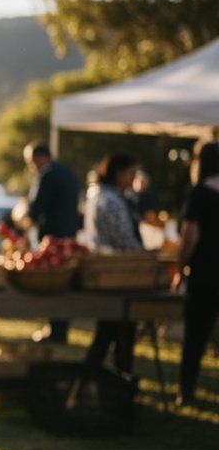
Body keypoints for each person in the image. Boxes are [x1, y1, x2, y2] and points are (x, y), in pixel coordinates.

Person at [84, 153, 144, 374]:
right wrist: (145, 257)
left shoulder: (98, 194)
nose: (133, 178)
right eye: (131, 173)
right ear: (118, 173)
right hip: (120, 271)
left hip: (106, 270)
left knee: (106, 332)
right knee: (121, 332)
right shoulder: (111, 200)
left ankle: (91, 379)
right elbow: (125, 239)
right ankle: (120, 382)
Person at [23, 141, 81, 344]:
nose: (32, 167)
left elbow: (37, 207)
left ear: (39, 157)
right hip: (69, 235)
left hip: (52, 238)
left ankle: (56, 329)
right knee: (64, 283)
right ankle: (61, 327)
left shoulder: (47, 174)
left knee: (53, 283)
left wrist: (25, 213)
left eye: (31, 162)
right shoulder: (68, 172)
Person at [175, 140, 219, 407]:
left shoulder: (200, 194)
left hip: (206, 271)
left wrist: (181, 268)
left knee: (196, 334)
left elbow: (189, 236)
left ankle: (186, 390)